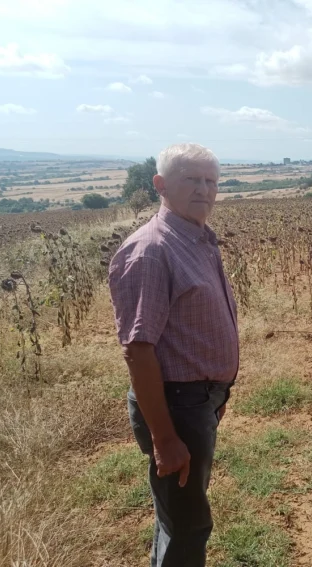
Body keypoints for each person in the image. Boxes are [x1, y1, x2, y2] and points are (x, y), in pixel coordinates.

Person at [108, 143, 238, 566]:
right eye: (192, 180)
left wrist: (216, 396)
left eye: (211, 181)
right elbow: (138, 350)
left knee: (177, 516)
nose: (204, 190)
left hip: (197, 401)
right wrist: (165, 439)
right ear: (160, 185)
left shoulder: (197, 238)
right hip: (176, 406)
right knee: (187, 526)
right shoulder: (151, 250)